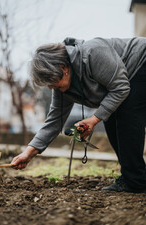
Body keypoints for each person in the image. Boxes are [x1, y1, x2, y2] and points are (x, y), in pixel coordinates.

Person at [11, 37, 146, 193]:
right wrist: (28, 153)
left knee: (126, 113)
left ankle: (135, 180)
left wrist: (94, 119)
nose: (52, 88)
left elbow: (121, 88)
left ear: (64, 67)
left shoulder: (92, 54)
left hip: (141, 62)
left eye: (53, 82)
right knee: (110, 116)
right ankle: (134, 177)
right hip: (126, 81)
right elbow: (54, 121)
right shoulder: (62, 89)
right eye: (49, 85)